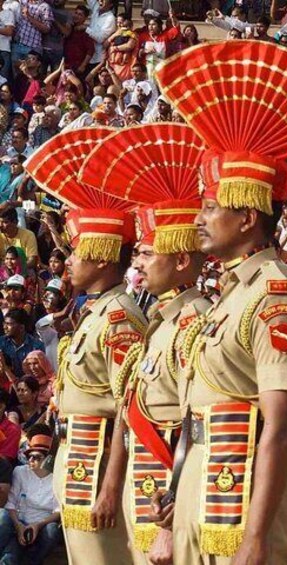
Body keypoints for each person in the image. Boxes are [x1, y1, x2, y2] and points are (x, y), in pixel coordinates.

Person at [155, 41, 287, 564]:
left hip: (242, 494)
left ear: (248, 217)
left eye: (211, 206)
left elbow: (282, 425)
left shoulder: (276, 294)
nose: (197, 219)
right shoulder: (232, 294)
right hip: (204, 478)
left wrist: (255, 537)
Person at [75, 123, 212, 563]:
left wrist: (170, 523)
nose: (138, 264)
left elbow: (194, 423)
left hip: (166, 482)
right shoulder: (161, 321)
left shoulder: (194, 321)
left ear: (181, 259)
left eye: (148, 254)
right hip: (144, 473)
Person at [26, 126, 146, 564]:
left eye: (77, 251)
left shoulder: (120, 317)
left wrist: (113, 486)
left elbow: (128, 408)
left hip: (98, 467)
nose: (68, 260)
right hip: (77, 457)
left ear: (100, 257)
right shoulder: (95, 310)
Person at [0, 430, 60, 565]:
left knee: (52, 530)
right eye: (29, 456)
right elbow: (11, 504)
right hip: (19, 521)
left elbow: (58, 511)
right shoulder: (20, 472)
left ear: (48, 459)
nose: (30, 460)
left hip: (42, 525)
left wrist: (37, 525)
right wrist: (19, 525)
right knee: (9, 559)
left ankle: (34, 561)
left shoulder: (57, 478)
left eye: (36, 457)